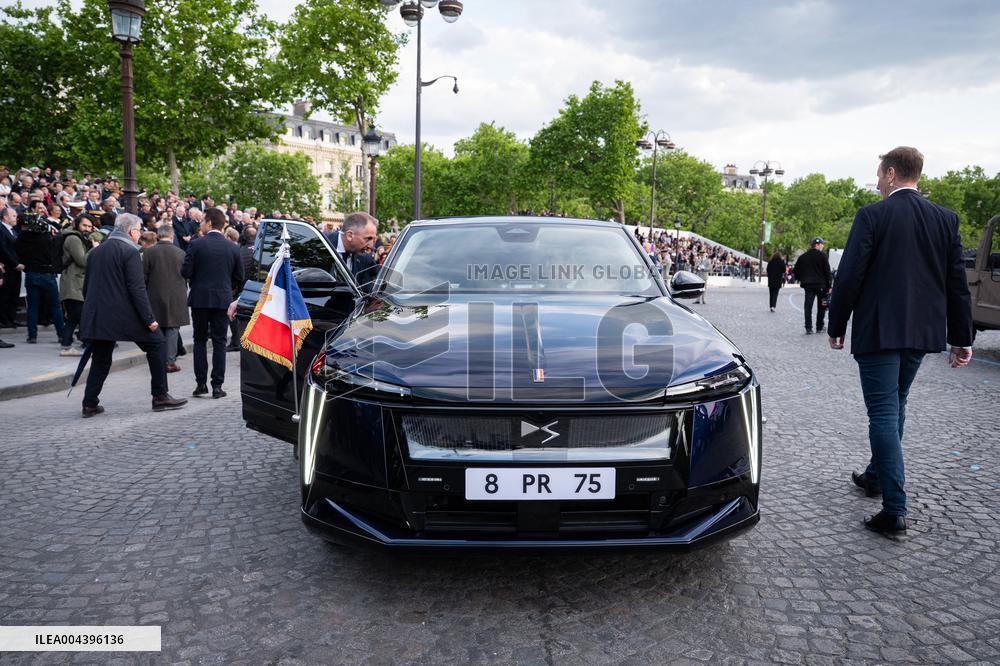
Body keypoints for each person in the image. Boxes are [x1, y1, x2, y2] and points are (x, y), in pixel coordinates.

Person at [828, 147, 973, 535]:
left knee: (883, 413)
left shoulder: (873, 215)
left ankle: (894, 508)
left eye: (878, 173)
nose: (876, 181)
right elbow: (957, 283)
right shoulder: (945, 219)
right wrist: (962, 338)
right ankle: (876, 476)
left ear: (891, 173)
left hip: (879, 329)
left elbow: (849, 276)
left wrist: (836, 324)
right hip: (921, 333)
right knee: (897, 402)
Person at [79, 214, 187, 417]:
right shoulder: (129, 252)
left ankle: (89, 403)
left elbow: (87, 288)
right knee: (156, 344)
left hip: (98, 314)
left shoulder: (95, 252)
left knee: (101, 359)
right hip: (123, 315)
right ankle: (160, 396)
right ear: (130, 231)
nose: (139, 235)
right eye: (138, 230)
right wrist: (149, 319)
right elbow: (137, 289)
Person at [182, 207, 244, 398]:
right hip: (222, 299)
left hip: (200, 299)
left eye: (202, 221)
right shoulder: (232, 247)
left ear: (209, 223)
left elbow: (185, 272)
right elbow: (239, 276)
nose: (200, 225)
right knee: (219, 342)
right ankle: (217, 386)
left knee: (200, 340)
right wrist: (228, 287)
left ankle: (201, 384)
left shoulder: (196, 244)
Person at [143, 225, 189, 373]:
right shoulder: (181, 253)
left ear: (158, 235)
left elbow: (143, 277)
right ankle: (169, 361)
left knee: (158, 328)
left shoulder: (149, 253)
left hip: (154, 295)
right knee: (173, 329)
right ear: (172, 235)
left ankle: (159, 360)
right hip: (177, 295)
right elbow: (186, 274)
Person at [14, 211, 65, 344]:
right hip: (47, 273)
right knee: (55, 306)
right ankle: (61, 334)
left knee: (32, 306)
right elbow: (57, 245)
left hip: (31, 273)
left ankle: (32, 336)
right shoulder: (47, 238)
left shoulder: (20, 239)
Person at [58, 214, 95, 355]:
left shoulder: (79, 238)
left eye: (89, 226)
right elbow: (83, 261)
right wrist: (94, 248)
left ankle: (67, 345)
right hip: (74, 284)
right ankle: (85, 344)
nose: (87, 229)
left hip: (76, 283)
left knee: (74, 317)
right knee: (80, 316)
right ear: (77, 225)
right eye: (84, 225)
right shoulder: (73, 238)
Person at [323, 211, 379, 287]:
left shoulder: (366, 259)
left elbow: (365, 291)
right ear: (350, 235)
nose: (371, 246)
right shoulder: (321, 244)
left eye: (373, 239)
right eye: (368, 238)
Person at [793, 237, 832, 334]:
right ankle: (819, 326)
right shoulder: (823, 256)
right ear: (817, 245)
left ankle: (808, 327)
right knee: (822, 306)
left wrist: (801, 279)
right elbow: (827, 272)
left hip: (808, 285)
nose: (823, 246)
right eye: (822, 244)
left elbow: (795, 270)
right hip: (821, 285)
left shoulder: (803, 257)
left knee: (808, 306)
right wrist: (829, 286)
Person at [0, 205, 21, 328]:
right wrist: (15, 264)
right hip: (7, 268)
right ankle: (4, 319)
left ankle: (11, 318)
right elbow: (3, 249)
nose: (16, 218)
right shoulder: (1, 229)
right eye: (13, 216)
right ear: (5, 217)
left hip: (16, 268)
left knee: (14, 294)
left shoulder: (14, 230)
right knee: (5, 295)